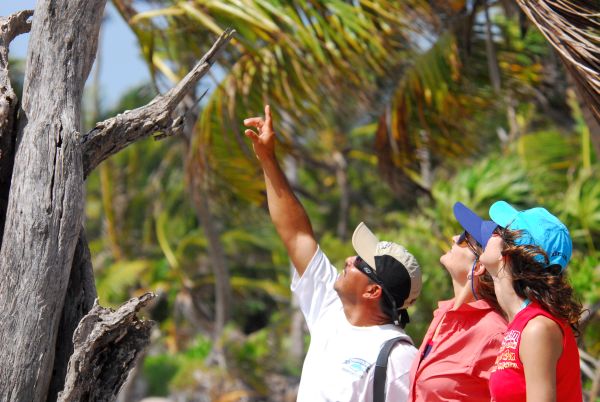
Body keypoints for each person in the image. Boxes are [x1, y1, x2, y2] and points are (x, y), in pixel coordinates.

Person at [243, 105, 422, 401]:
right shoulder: (330, 310)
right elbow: (297, 234)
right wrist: (267, 158)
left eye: (360, 263)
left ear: (373, 290)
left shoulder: (399, 358)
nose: (349, 260)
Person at [469, 201, 583, 401]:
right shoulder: (523, 324)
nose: (490, 234)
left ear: (513, 252)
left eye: (499, 231)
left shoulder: (537, 328)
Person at [408, 202, 507, 401]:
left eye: (464, 239)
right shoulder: (444, 315)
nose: (454, 238)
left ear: (479, 266)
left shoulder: (494, 334)